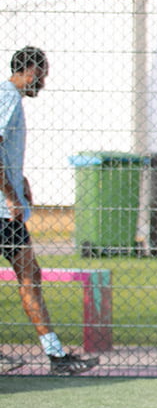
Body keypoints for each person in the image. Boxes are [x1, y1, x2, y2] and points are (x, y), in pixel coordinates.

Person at [0, 47, 95, 374]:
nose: (43, 81)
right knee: (30, 277)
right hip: (3, 212)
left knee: (31, 276)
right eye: (42, 73)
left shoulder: (11, 99)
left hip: (7, 212)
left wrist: (19, 178)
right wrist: (11, 194)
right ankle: (55, 357)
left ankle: (55, 356)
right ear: (29, 70)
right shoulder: (7, 97)